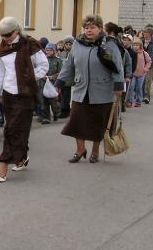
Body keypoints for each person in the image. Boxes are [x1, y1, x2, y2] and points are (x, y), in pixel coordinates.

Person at [0, 16, 48, 182]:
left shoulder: (30, 45)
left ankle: (3, 164)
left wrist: (29, 77)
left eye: (8, 35)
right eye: (3, 36)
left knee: (12, 129)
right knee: (18, 128)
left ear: (17, 31)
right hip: (8, 94)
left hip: (26, 93)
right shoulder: (3, 47)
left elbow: (44, 66)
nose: (6, 39)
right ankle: (21, 157)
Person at [57, 14, 124, 163]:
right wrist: (60, 82)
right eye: (86, 27)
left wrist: (119, 85)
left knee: (98, 124)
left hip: (102, 90)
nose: (88, 30)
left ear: (100, 28)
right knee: (76, 122)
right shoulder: (77, 44)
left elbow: (118, 66)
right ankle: (80, 149)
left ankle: (95, 151)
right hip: (81, 89)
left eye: (92, 27)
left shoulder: (109, 45)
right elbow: (69, 65)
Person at [37, 43, 62, 124]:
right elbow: (38, 69)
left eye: (50, 50)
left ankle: (56, 113)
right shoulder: (42, 60)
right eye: (47, 50)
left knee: (53, 101)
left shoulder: (58, 60)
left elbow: (60, 72)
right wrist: (41, 75)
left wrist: (53, 77)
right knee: (43, 101)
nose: (48, 51)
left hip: (53, 84)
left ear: (54, 51)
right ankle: (46, 118)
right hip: (42, 83)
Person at [126, 38, 151, 107]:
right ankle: (129, 101)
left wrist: (145, 68)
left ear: (140, 46)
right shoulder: (131, 53)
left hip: (141, 73)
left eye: (137, 45)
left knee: (139, 87)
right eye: (134, 45)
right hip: (133, 73)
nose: (135, 46)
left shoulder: (144, 53)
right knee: (131, 87)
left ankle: (138, 101)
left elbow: (149, 61)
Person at [59, 36, 74, 117]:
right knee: (63, 95)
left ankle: (66, 110)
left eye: (70, 44)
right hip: (63, 77)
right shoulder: (62, 53)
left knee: (67, 96)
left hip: (71, 77)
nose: (68, 46)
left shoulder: (74, 53)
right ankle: (63, 109)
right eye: (67, 44)